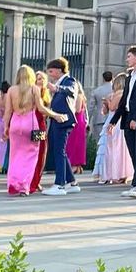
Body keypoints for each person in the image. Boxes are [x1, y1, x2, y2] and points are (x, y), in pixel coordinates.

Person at [3, 65, 63, 196]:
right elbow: (41, 108)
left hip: (15, 124)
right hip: (30, 124)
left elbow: (7, 112)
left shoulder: (11, 90)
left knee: (15, 156)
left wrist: (5, 127)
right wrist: (55, 115)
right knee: (31, 156)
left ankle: (14, 183)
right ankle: (25, 186)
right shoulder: (34, 89)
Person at [44, 57, 82, 195]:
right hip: (57, 120)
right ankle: (72, 182)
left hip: (64, 120)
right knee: (59, 151)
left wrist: (57, 88)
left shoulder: (69, 80)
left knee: (59, 151)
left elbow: (71, 90)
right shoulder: (60, 82)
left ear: (59, 70)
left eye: (51, 71)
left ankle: (59, 184)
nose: (49, 74)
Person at [110, 44, 136, 198]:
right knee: (133, 153)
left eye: (129, 56)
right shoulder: (130, 76)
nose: (127, 59)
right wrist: (114, 120)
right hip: (128, 119)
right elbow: (124, 101)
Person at [95, 73, 133, 184]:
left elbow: (112, 108)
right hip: (117, 121)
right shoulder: (122, 94)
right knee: (121, 149)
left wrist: (107, 102)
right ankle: (122, 173)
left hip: (115, 122)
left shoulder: (118, 94)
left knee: (113, 149)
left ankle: (115, 173)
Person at [29, 71, 53, 193]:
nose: (41, 81)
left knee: (42, 153)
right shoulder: (33, 93)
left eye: (43, 79)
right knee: (34, 153)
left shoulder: (46, 95)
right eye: (38, 79)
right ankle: (31, 181)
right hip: (34, 125)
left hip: (42, 126)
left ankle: (37, 180)